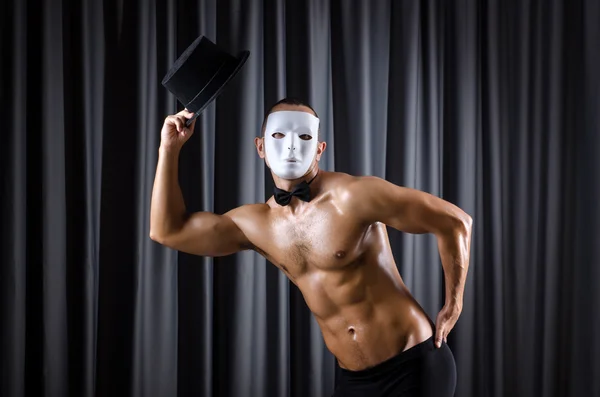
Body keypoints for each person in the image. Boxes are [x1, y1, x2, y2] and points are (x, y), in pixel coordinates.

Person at [150, 98, 472, 396]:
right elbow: (167, 231)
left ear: (319, 149)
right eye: (279, 136)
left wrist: (453, 304)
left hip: (412, 366)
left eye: (304, 138)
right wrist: (169, 148)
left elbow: (455, 222)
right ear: (260, 147)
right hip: (352, 379)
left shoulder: (352, 197)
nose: (291, 145)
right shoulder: (255, 223)